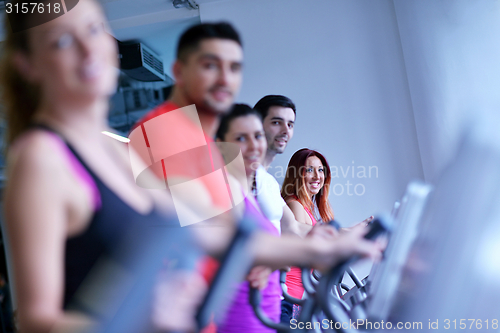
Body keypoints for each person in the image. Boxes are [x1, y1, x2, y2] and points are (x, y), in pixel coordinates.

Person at [0, 1, 206, 332]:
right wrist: (141, 318)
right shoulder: (39, 158)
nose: (88, 49)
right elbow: (36, 322)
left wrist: (304, 248)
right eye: (62, 41)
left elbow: (198, 231)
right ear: (27, 65)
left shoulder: (118, 147)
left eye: (94, 29)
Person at [280, 148, 335, 320]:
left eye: (320, 170)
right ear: (297, 174)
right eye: (309, 170)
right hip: (285, 299)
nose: (317, 176)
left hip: (294, 298)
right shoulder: (294, 204)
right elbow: (306, 251)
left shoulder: (306, 209)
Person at [253, 95, 312, 237]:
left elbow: (293, 227)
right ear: (256, 124)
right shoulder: (244, 175)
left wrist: (344, 233)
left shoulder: (270, 183)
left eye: (290, 125)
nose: (285, 130)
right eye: (276, 122)